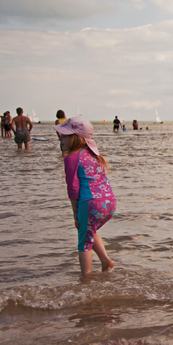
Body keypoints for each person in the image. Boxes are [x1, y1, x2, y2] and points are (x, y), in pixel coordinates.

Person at [54, 118, 116, 275]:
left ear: (76, 138)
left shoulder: (71, 158)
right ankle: (105, 260)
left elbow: (73, 188)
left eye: (65, 136)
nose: (61, 139)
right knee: (89, 231)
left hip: (90, 203)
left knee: (84, 243)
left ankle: (86, 279)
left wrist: (75, 212)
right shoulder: (94, 155)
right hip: (109, 202)